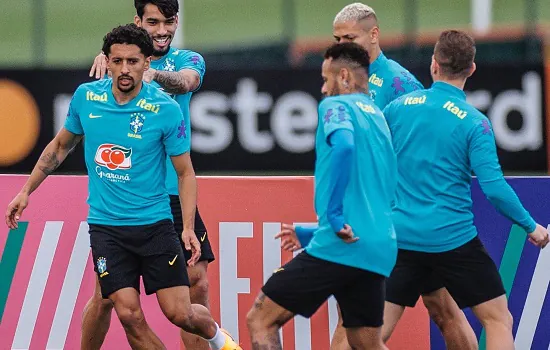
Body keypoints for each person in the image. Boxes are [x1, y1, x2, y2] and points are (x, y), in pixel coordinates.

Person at [5, 23, 240, 350]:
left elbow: (185, 174)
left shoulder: (164, 110)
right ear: (108, 61)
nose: (125, 69)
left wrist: (187, 227)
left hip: (155, 226)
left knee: (180, 313)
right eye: (117, 61)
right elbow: (60, 147)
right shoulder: (87, 98)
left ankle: (219, 339)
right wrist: (26, 191)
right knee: (129, 314)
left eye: (133, 61)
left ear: (147, 63)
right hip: (107, 229)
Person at [381, 29, 549, 350]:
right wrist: (531, 226)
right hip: (452, 241)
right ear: (472, 69)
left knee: (372, 334)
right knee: (498, 320)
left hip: (401, 238)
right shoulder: (475, 122)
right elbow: (494, 189)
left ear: (433, 65)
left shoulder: (396, 109)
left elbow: (372, 166)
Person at [330, 3, 478, 349]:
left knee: (356, 314)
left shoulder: (398, 82)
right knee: (441, 306)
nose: (341, 45)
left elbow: (424, 143)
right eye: (337, 38)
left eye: (349, 37)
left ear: (374, 35)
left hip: (389, 213)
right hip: (365, 207)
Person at [246, 42, 397, 350]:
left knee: (260, 319)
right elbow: (380, 197)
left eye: (326, 78)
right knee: (365, 342)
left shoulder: (335, 107)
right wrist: (311, 231)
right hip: (377, 247)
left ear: (344, 77)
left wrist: (333, 219)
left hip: (340, 246)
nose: (323, 87)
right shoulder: (379, 118)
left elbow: (344, 146)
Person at [85, 1, 215, 349]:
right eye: (152, 22)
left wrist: (153, 74)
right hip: (131, 196)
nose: (162, 30)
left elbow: (187, 83)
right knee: (106, 295)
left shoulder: (189, 59)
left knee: (197, 280)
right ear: (138, 21)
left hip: (172, 193)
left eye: (169, 22)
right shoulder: (116, 62)